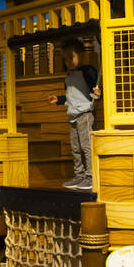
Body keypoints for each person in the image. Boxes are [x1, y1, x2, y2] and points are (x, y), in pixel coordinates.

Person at [46, 38, 100, 191]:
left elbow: (95, 94)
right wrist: (58, 99)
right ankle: (79, 174)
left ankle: (90, 175)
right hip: (72, 115)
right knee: (75, 147)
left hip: (85, 114)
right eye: (65, 58)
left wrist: (98, 93)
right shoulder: (68, 75)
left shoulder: (88, 71)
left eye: (71, 57)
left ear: (81, 55)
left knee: (86, 146)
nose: (67, 61)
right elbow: (71, 96)